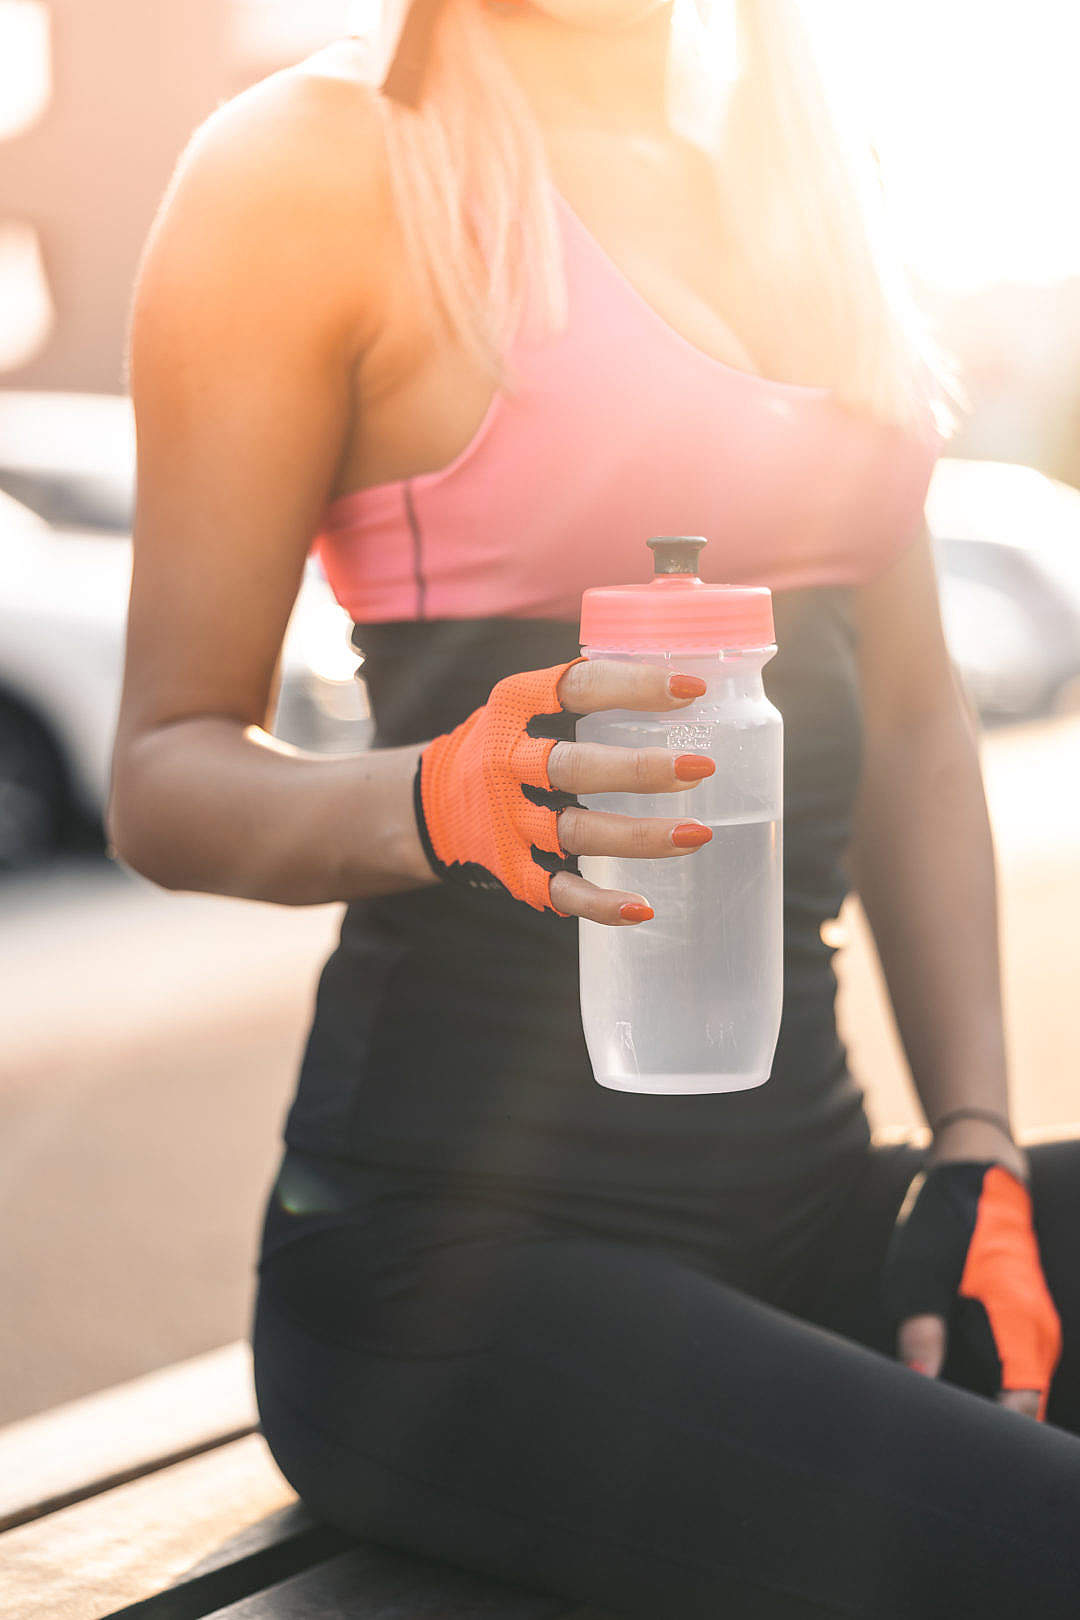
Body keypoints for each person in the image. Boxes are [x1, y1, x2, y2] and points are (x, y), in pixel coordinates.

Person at [109, 0, 1080, 1614]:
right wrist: (439, 796)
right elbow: (162, 771)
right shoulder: (314, 164)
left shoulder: (810, 174)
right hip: (456, 1283)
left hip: (817, 1201)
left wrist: (973, 1151)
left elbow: (914, 719)